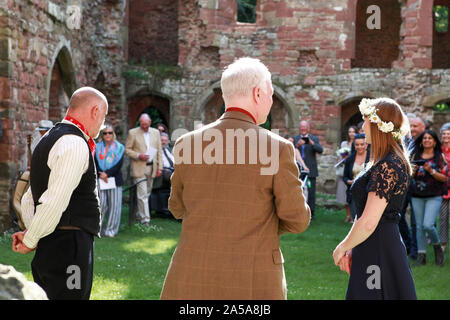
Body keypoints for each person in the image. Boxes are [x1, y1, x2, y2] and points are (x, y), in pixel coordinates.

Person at [160, 57, 311, 300]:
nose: (271, 101)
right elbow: (297, 220)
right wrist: (262, 222)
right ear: (259, 93)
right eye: (271, 94)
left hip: (191, 272)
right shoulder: (277, 148)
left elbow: (177, 208)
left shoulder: (186, 143)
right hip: (251, 276)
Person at [11, 87, 108, 300]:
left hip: (50, 246)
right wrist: (31, 239)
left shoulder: (48, 139)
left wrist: (33, 235)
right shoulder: (74, 143)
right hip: (69, 247)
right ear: (94, 111)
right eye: (103, 117)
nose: (102, 125)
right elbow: (54, 200)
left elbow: (30, 198)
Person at [333, 97, 417, 300]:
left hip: (380, 245)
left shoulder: (388, 165)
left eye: (366, 120)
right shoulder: (381, 161)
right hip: (371, 243)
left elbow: (370, 221)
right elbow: (363, 214)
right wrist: (353, 243)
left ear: (379, 125)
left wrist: (342, 247)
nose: (363, 126)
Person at [409, 129, 446, 266]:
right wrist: (413, 171)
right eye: (424, 138)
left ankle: (437, 248)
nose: (427, 140)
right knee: (418, 227)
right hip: (416, 195)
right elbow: (410, 175)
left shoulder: (439, 157)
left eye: (430, 138)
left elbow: (444, 178)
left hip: (434, 195)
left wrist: (431, 170)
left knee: (428, 225)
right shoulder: (415, 155)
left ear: (435, 141)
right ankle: (421, 256)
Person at [125, 113, 163, 226]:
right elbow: (127, 150)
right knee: (142, 194)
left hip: (152, 167)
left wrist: (159, 167)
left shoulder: (155, 133)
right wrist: (138, 155)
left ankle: (138, 214)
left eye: (146, 124)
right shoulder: (133, 133)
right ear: (139, 123)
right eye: (142, 124)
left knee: (146, 193)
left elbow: (159, 151)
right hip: (139, 167)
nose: (144, 126)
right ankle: (145, 220)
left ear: (150, 123)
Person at [94, 125, 125, 237]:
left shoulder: (120, 148)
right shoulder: (96, 147)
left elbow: (119, 165)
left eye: (110, 133)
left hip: (114, 180)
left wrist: (108, 174)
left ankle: (111, 230)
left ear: (113, 134)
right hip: (101, 179)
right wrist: (101, 174)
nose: (108, 135)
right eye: (105, 133)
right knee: (101, 205)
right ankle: (98, 229)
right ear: (102, 134)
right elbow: (94, 163)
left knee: (115, 206)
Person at [294, 120, 323, 220]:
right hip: (298, 170)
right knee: (298, 192)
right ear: (299, 128)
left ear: (308, 128)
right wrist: (297, 146)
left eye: (305, 127)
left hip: (311, 170)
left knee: (311, 192)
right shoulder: (296, 138)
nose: (303, 129)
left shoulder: (313, 138)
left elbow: (320, 150)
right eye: (301, 127)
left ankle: (311, 213)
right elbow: (290, 151)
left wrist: (312, 143)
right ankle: (300, 212)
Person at [343, 134, 370, 223]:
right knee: (356, 221)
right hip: (354, 193)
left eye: (362, 144)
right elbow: (345, 176)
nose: (359, 147)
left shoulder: (372, 158)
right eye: (357, 145)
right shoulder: (350, 159)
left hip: (368, 193)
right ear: (354, 145)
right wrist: (349, 181)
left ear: (366, 145)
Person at [150, 132, 174, 218]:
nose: (164, 142)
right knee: (173, 177)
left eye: (165, 140)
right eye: (162, 140)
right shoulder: (154, 150)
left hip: (171, 171)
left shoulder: (168, 150)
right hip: (161, 173)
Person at [337, 126, 357, 222]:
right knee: (344, 194)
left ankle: (355, 215)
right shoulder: (344, 144)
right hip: (344, 169)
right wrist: (341, 159)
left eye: (353, 132)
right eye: (349, 132)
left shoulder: (358, 143)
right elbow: (340, 157)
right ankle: (348, 215)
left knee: (353, 194)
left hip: (353, 169)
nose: (351, 134)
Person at [439, 122, 450, 255]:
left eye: (449, 134)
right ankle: (443, 244)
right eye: (444, 134)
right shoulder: (438, 150)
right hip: (441, 188)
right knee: (442, 217)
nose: (446, 136)